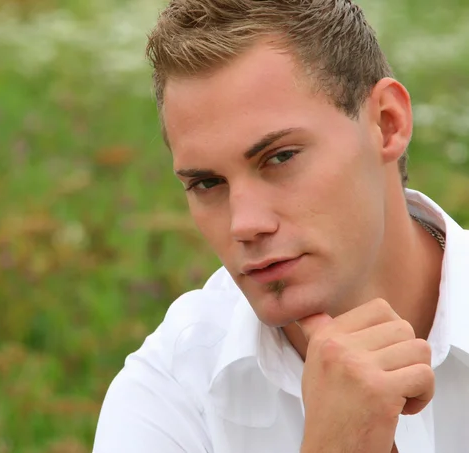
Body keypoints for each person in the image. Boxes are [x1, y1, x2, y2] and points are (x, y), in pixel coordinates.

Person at [92, 1, 469, 452]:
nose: (244, 224)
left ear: (387, 124)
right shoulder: (173, 390)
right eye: (208, 183)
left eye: (280, 157)